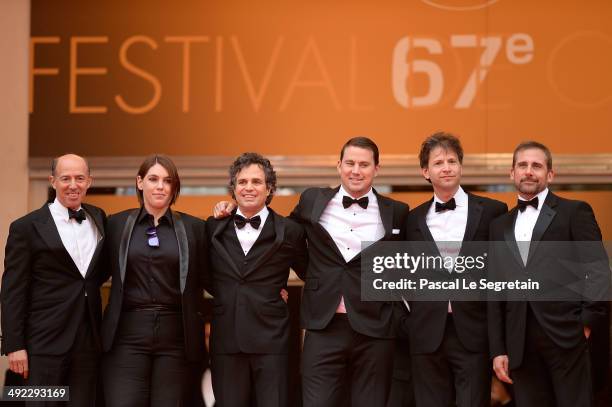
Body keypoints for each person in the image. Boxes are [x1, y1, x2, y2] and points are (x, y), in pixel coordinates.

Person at [214, 137, 409, 407]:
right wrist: (235, 208)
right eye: (350, 163)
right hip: (323, 325)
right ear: (339, 165)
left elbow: (407, 266)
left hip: (376, 330)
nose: (356, 170)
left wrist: (395, 312)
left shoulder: (398, 212)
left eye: (364, 164)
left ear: (377, 169)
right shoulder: (312, 200)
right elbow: (280, 236)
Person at [488, 141, 610, 407]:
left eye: (537, 166)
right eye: (522, 165)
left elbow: (599, 271)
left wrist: (586, 323)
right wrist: (498, 349)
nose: (529, 171)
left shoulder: (575, 212)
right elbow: (495, 291)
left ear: (550, 175)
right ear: (512, 174)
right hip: (519, 343)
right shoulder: (499, 226)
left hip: (567, 336)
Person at [395, 132, 507, 407]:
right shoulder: (412, 219)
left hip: (472, 331)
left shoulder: (494, 211)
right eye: (438, 162)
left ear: (461, 166)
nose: (446, 167)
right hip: (425, 334)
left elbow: (502, 274)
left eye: (452, 161)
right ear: (425, 172)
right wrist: (408, 323)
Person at [101, 154, 208, 407]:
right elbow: (91, 275)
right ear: (140, 183)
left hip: (176, 338)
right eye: (153, 179)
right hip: (126, 334)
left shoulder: (196, 228)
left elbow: (215, 278)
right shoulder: (115, 225)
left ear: (174, 187)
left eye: (167, 181)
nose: (160, 186)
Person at [1, 154, 107, 406]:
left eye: (80, 178)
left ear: (89, 181)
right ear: (52, 181)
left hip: (87, 342)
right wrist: (14, 345)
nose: (73, 185)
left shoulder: (99, 218)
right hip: (43, 343)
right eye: (65, 178)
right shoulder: (26, 227)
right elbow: (12, 290)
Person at [206, 152, 307, 407]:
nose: (248, 187)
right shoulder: (212, 228)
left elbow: (311, 273)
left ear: (269, 188)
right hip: (227, 341)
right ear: (233, 188)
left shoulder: (290, 231)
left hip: (273, 341)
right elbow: (203, 276)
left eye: (256, 181)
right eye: (242, 182)